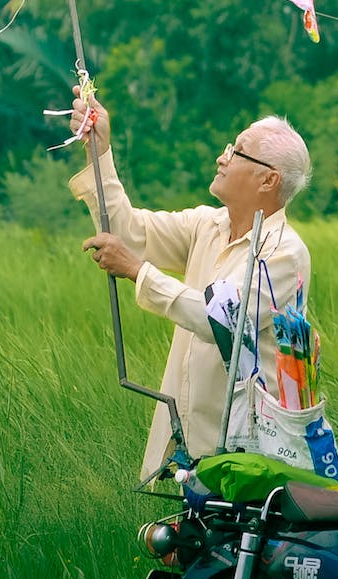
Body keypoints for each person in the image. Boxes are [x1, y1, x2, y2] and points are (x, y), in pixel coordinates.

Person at [70, 86, 313, 481]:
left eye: (237, 152)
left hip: (248, 450)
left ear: (268, 180)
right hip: (188, 441)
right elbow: (130, 235)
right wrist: (99, 152)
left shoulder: (283, 253)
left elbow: (220, 319)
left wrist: (137, 271)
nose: (222, 157)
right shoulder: (207, 224)